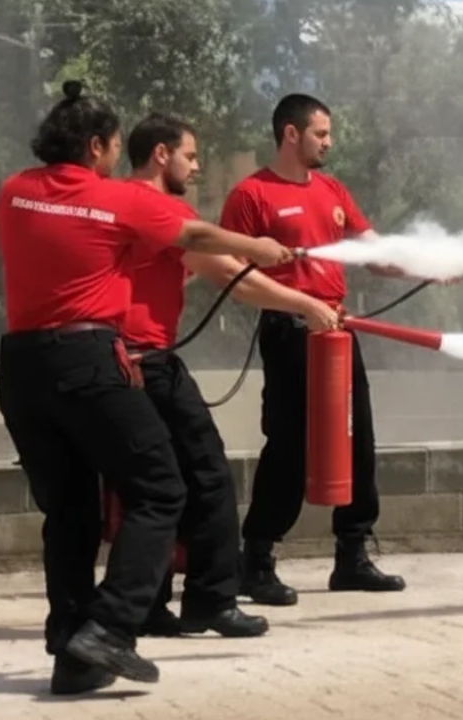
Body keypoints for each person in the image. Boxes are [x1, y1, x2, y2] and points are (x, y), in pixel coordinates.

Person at [0, 80, 294, 694]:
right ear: (99, 145)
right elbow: (196, 237)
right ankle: (110, 626)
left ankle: (72, 652)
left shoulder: (13, 193)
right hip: (88, 359)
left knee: (70, 510)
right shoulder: (113, 198)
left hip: (21, 368)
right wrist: (259, 246)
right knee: (161, 488)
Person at [120, 112, 343, 638]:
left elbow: (217, 270)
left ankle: (149, 606)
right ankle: (211, 600)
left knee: (153, 488)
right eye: (191, 156)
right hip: (147, 361)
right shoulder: (158, 210)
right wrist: (305, 302)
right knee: (209, 477)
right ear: (160, 154)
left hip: (123, 360)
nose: (197, 167)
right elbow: (235, 278)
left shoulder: (122, 204)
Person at [218, 93, 406, 605]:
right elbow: (233, 274)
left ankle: (352, 555)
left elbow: (375, 252)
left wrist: (428, 264)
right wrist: (300, 304)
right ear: (291, 134)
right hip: (289, 333)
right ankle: (255, 560)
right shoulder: (251, 195)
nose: (330, 142)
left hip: (338, 330)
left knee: (357, 437)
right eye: (321, 133)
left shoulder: (333, 190)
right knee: (290, 444)